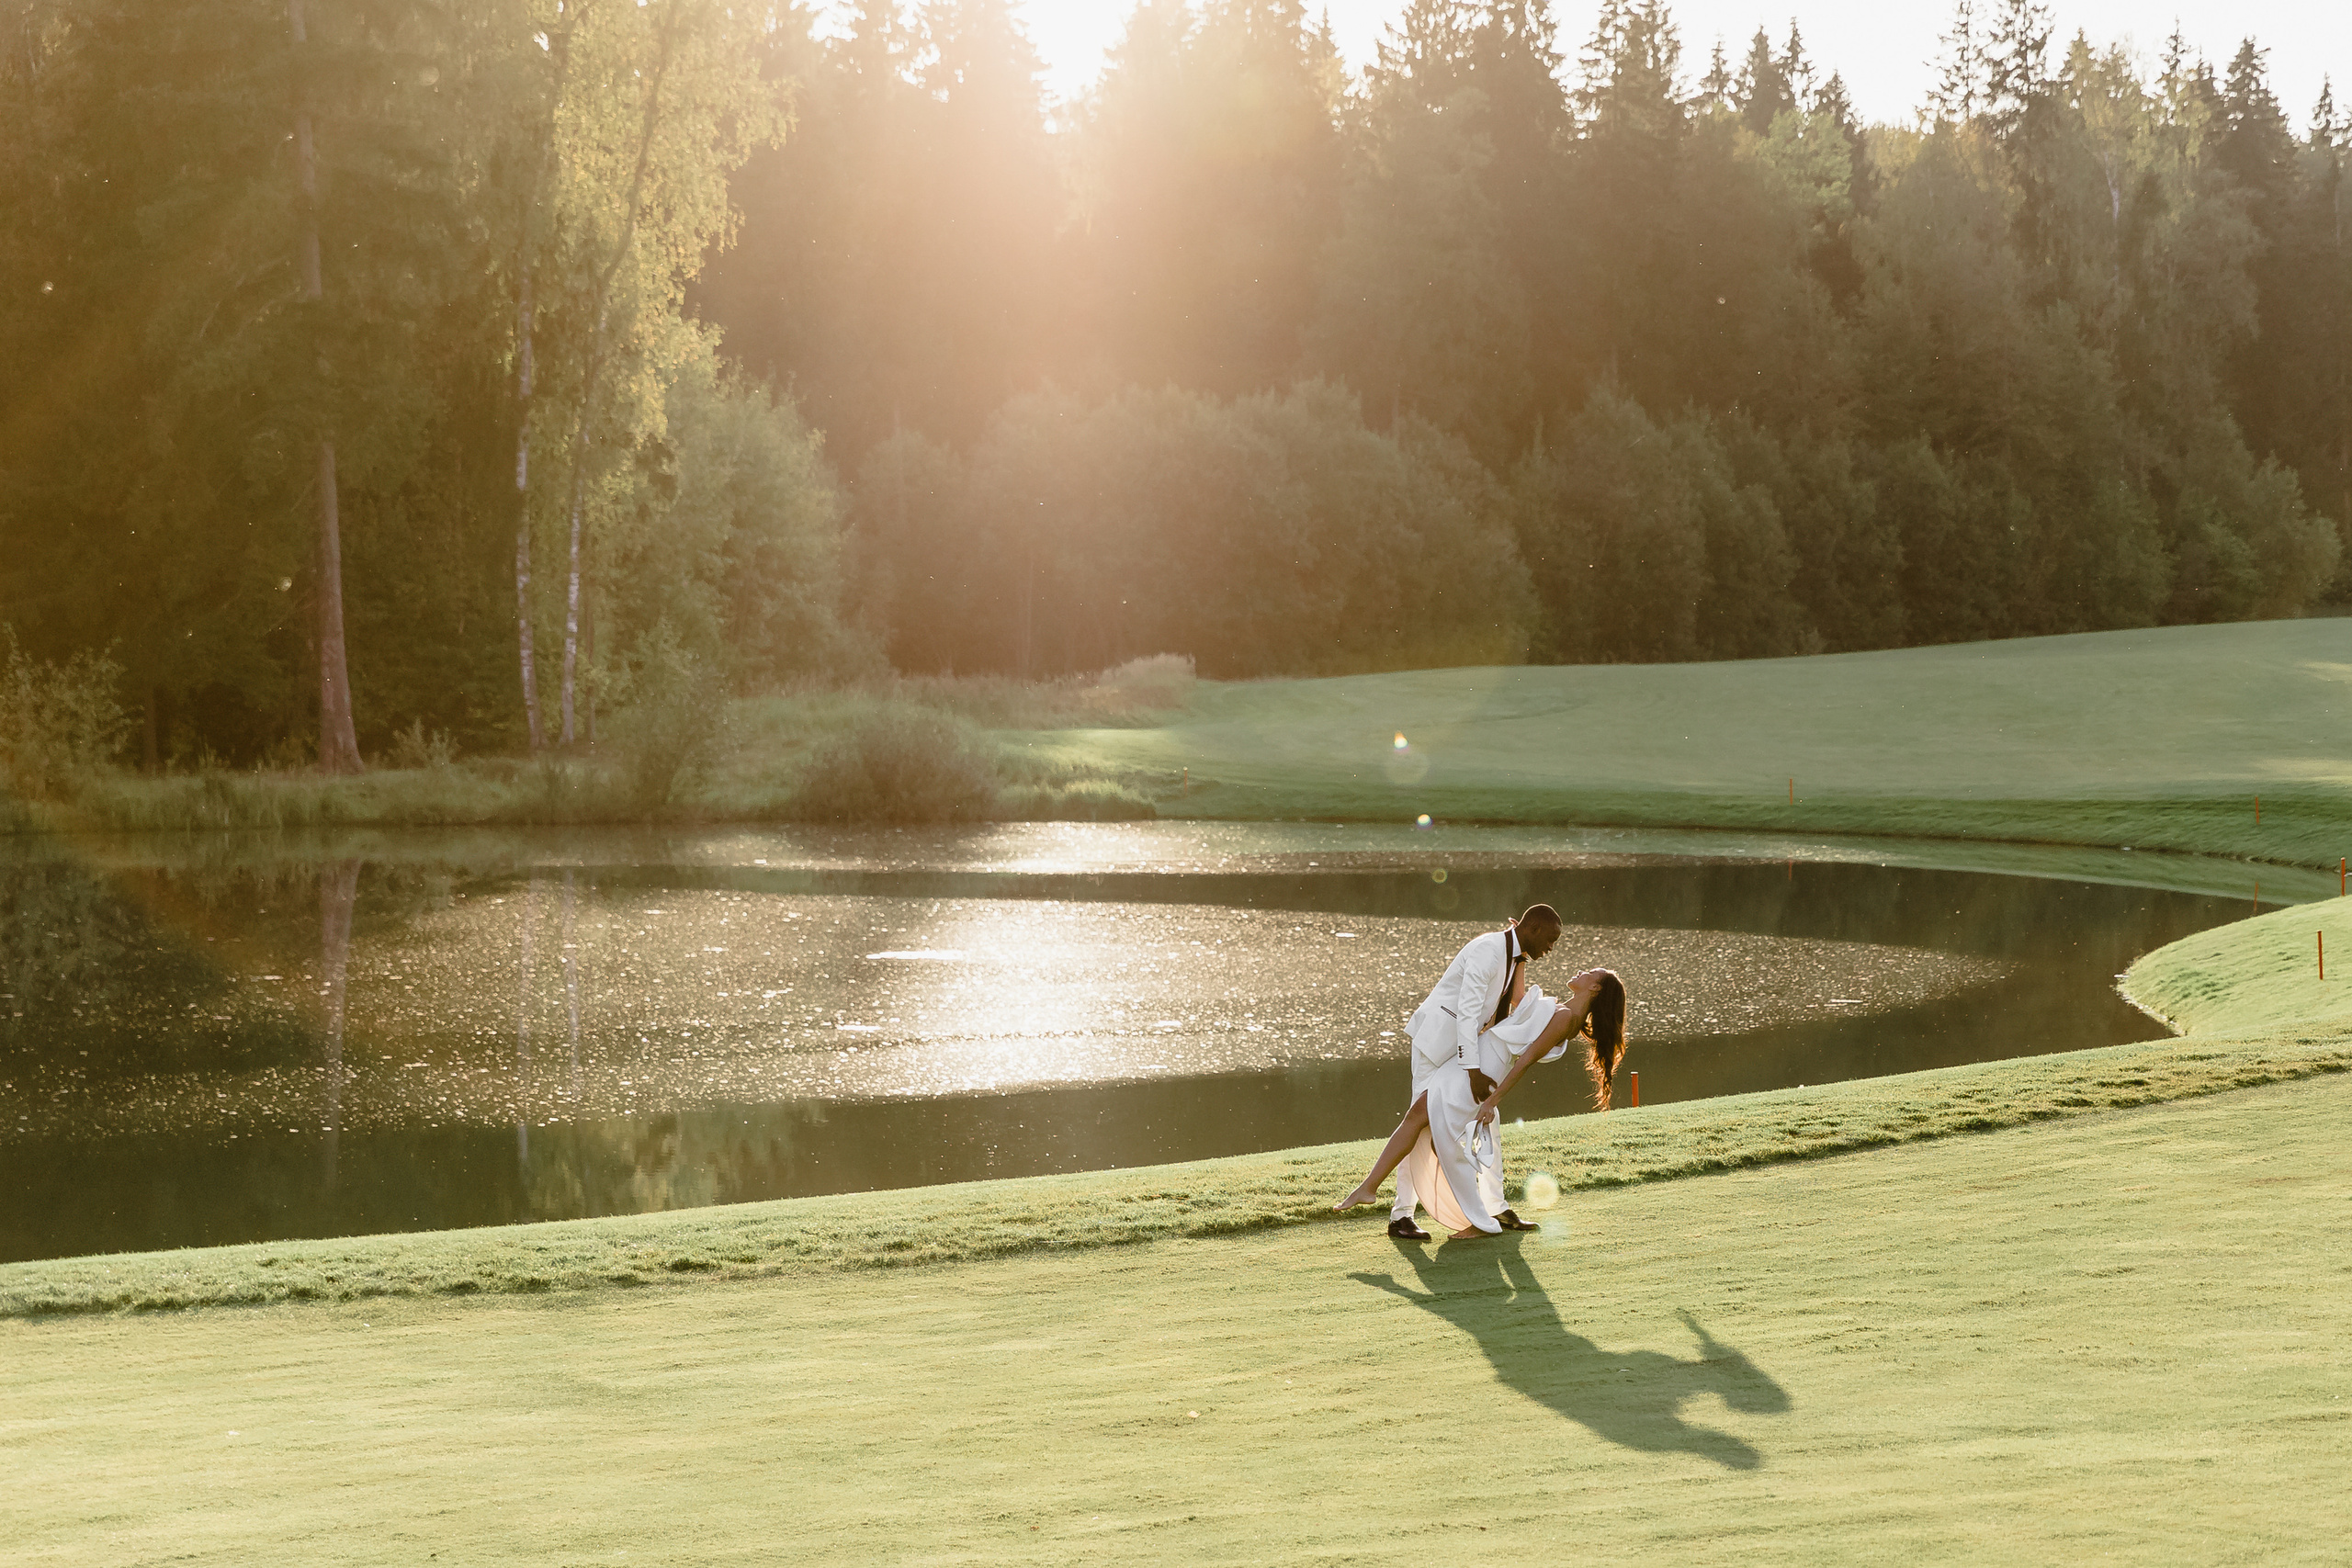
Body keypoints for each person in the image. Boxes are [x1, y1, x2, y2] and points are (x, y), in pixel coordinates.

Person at [1335, 908, 1627, 1238]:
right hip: (1450, 1048)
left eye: (1591, 972)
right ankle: (1403, 1204)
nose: (1554, 949)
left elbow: (1527, 1058)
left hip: (1479, 1064)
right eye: (1549, 939)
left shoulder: (1566, 1018)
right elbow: (1509, 1003)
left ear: (1596, 990)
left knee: (1431, 1129)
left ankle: (1473, 1217)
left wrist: (1486, 1091)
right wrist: (1520, 955)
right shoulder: (1500, 956)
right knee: (1422, 1122)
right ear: (1531, 929)